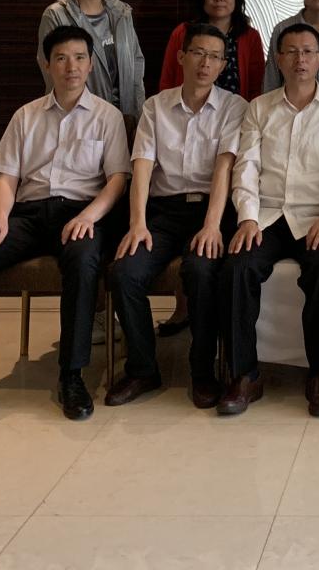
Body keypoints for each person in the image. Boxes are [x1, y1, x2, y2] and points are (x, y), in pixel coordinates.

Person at [0, 26, 130, 424]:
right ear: (46, 64)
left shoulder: (107, 117)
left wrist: (88, 216)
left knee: (84, 260)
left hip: (80, 214)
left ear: (91, 65)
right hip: (27, 215)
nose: (71, 67)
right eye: (61, 58)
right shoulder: (26, 115)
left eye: (79, 58)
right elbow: (6, 177)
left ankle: (72, 374)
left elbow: (117, 180)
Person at [104, 24, 245, 410]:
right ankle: (142, 369)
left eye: (214, 57)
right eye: (198, 53)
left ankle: (203, 371)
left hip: (212, 210)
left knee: (201, 270)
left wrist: (212, 225)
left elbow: (225, 169)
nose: (205, 63)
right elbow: (142, 167)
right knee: (124, 272)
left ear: (223, 65)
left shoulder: (234, 107)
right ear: (182, 57)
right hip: (163, 212)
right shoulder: (156, 106)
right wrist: (137, 223)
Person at [220, 23, 319, 417]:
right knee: (237, 268)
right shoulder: (259, 108)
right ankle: (244, 374)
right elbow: (246, 167)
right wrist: (247, 219)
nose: (300, 59)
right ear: (278, 59)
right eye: (291, 52)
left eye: (308, 51)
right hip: (266, 215)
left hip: (317, 216)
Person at [155, 0, 265, 335]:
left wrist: (248, 126)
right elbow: (169, 81)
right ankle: (182, 308)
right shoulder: (182, 33)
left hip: (233, 125)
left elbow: (256, 85)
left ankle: (211, 311)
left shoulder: (248, 36)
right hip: (186, 125)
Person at [38, 0, 145, 123]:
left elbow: (136, 66)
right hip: (79, 119)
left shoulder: (121, 12)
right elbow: (52, 71)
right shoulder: (57, 15)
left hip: (124, 117)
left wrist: (138, 115)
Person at [158, 0, 265, 99]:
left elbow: (256, 87)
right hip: (187, 110)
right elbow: (167, 80)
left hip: (237, 110)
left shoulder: (250, 37)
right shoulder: (183, 32)